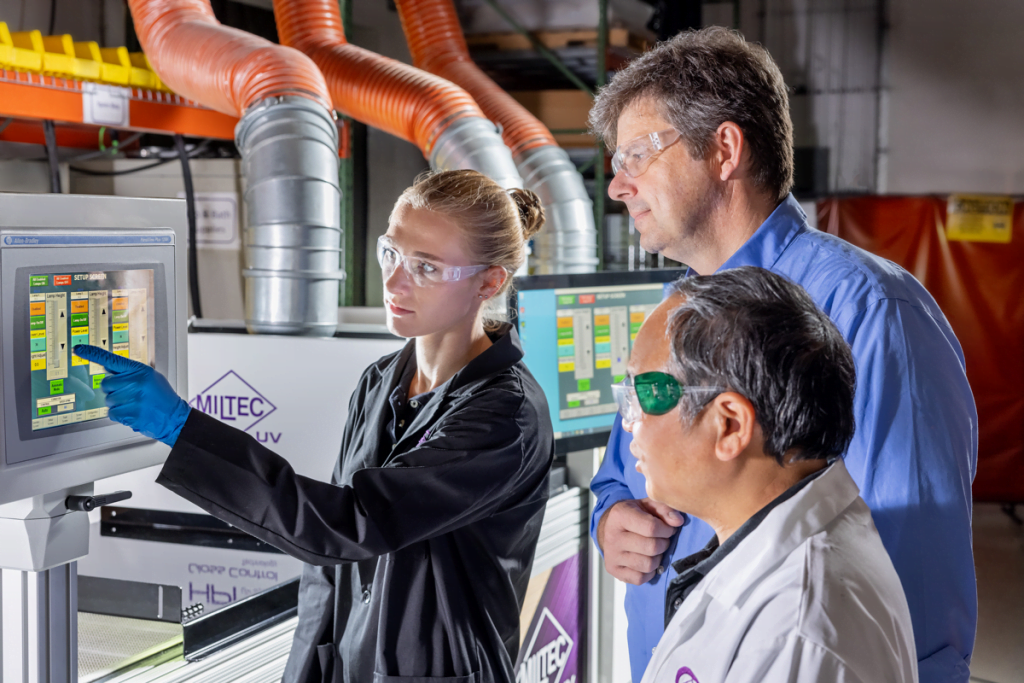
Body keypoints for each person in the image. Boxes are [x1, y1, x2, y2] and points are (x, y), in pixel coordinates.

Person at [587, 27, 977, 683]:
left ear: (724, 150)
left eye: (637, 156)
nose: (618, 187)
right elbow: (624, 470)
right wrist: (611, 519)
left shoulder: (871, 309)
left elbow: (917, 584)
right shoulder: (674, 308)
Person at [75, 169, 555, 683]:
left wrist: (182, 428)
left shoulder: (505, 415)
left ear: (489, 281)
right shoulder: (382, 381)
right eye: (390, 253)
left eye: (426, 268)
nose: (393, 282)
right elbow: (329, 572)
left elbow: (349, 524)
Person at [622, 266, 917, 683]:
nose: (631, 423)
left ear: (730, 426)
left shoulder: (797, 637)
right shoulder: (774, 551)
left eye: (649, 394)